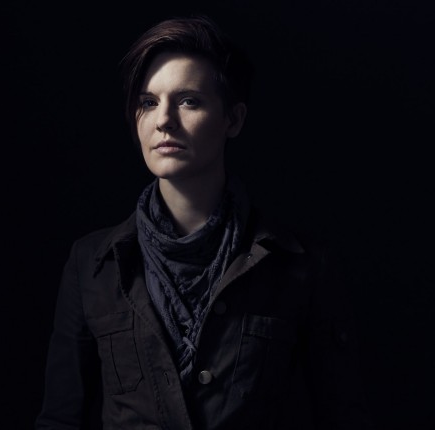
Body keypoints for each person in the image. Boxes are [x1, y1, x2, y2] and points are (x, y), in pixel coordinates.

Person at [35, 14, 373, 430]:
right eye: (149, 102)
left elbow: (343, 416)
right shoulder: (91, 264)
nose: (164, 120)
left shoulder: (301, 265)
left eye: (188, 101)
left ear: (234, 119)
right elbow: (60, 419)